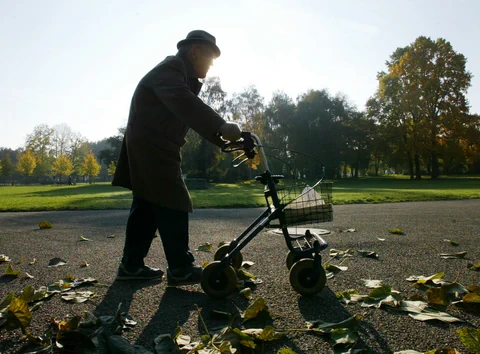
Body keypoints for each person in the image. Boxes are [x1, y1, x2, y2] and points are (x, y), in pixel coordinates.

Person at [112, 30, 241, 285]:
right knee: (174, 200)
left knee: (147, 205)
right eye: (209, 57)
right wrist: (221, 125)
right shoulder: (171, 69)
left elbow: (186, 111)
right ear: (194, 51)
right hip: (153, 146)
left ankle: (131, 265)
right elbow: (186, 104)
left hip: (153, 145)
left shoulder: (180, 73)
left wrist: (224, 138)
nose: (211, 64)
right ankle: (180, 268)